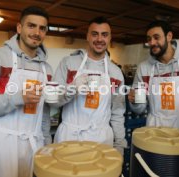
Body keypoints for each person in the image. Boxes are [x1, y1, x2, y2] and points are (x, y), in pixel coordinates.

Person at [0, 6, 53, 177]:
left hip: (33, 145)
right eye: (31, 25)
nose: (37, 32)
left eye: (42, 28)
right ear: (19, 28)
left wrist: (47, 144)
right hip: (0, 145)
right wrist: (18, 98)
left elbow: (43, 113)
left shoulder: (47, 69)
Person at [53, 16, 127, 154]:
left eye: (104, 35)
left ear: (110, 38)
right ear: (87, 36)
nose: (99, 39)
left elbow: (117, 113)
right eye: (94, 34)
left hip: (102, 140)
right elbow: (53, 102)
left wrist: (119, 145)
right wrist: (72, 89)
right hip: (70, 137)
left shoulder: (116, 73)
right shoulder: (69, 63)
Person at [128, 20, 179, 130]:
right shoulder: (144, 68)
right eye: (149, 39)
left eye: (156, 37)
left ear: (169, 36)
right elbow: (139, 109)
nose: (152, 42)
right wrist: (135, 101)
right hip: (154, 130)